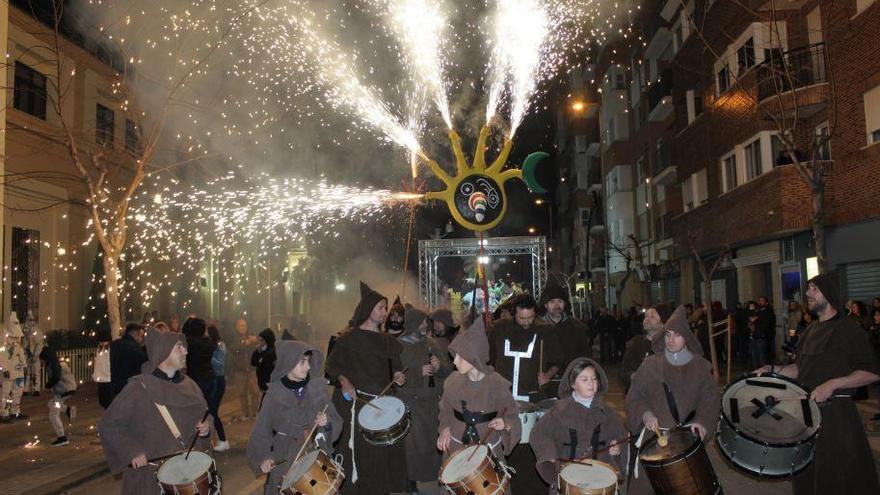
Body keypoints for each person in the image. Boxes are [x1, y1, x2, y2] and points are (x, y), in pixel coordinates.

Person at [755, 273, 880, 494]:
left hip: (838, 419)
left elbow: (872, 372)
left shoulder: (849, 329)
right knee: (808, 477)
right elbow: (800, 369)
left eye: (814, 288)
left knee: (839, 478)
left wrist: (833, 384)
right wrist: (772, 370)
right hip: (805, 417)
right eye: (808, 288)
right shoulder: (810, 330)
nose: (807, 293)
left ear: (829, 293)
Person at [98, 330, 212, 495]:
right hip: (150, 481)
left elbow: (207, 417)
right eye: (179, 347)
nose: (186, 351)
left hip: (187, 478)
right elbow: (109, 425)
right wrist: (132, 451)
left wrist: (207, 429)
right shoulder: (139, 388)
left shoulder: (190, 385)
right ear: (163, 351)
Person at [625, 304, 721, 495]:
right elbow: (634, 395)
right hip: (652, 442)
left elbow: (710, 401)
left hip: (685, 445)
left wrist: (702, 423)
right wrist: (645, 413)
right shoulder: (651, 364)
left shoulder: (700, 368)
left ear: (686, 338)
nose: (671, 339)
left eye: (676, 335)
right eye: (667, 334)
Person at [325, 281, 408, 494]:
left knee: (380, 461)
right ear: (368, 310)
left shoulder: (387, 341)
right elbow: (332, 367)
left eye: (385, 308)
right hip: (356, 407)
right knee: (358, 458)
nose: (385, 312)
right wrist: (345, 380)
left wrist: (398, 376)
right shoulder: (348, 339)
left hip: (381, 408)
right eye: (381, 308)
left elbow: (396, 367)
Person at [488, 294, 563, 493]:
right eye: (522, 318)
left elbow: (557, 361)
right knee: (505, 442)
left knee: (530, 446)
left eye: (530, 317)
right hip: (504, 397)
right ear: (514, 314)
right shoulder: (499, 329)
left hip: (533, 398)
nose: (527, 322)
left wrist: (547, 375)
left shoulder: (545, 331)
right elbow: (488, 359)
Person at [247, 341, 342, 495]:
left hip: (313, 454)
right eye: (302, 362)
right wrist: (263, 458)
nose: (308, 367)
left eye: (308, 362)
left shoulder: (316, 388)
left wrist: (326, 422)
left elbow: (334, 419)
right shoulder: (274, 393)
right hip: (284, 456)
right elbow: (261, 430)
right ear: (288, 362)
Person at [530, 358, 626, 494]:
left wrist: (617, 447)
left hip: (600, 479)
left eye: (594, 379)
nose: (591, 384)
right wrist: (550, 455)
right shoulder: (559, 411)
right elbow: (538, 434)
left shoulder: (608, 412)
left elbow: (620, 436)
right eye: (584, 379)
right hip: (567, 477)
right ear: (573, 384)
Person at [438, 318, 521, 459]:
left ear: (474, 358)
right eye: (455, 356)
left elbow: (512, 416)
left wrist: (506, 424)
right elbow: (445, 410)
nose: (455, 361)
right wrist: (445, 428)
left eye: (461, 357)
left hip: (488, 453)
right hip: (456, 448)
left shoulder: (497, 384)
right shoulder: (452, 382)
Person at [397, 305, 451, 491]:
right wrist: (417, 373)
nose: (424, 326)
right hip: (411, 403)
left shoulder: (431, 343)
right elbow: (395, 377)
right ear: (411, 323)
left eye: (425, 322)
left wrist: (439, 367)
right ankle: (411, 480)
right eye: (420, 322)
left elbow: (448, 370)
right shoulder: (399, 346)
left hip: (432, 403)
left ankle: (435, 476)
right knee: (413, 448)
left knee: (431, 444)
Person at [538, 279, 591, 369]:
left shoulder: (577, 327)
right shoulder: (537, 327)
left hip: (570, 376)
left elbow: (584, 356)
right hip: (545, 379)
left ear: (565, 304)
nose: (556, 305)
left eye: (560, 301)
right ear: (545, 305)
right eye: (552, 302)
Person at [620, 303, 673, 392]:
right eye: (646, 316)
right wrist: (634, 376)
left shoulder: (670, 344)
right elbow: (624, 372)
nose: (647, 319)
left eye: (652, 316)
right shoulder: (636, 342)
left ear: (663, 323)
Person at [40, 346, 77, 446]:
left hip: (64, 390)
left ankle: (62, 437)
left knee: (53, 415)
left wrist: (48, 385)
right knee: (51, 403)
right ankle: (67, 410)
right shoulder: (56, 362)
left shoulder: (55, 364)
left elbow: (56, 377)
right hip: (67, 389)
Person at [182, 318, 217, 415]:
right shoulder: (208, 342)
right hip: (210, 377)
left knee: (197, 412)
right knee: (209, 411)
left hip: (196, 379)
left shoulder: (190, 343)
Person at [109, 322, 148, 404]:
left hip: (115, 387)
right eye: (141, 336)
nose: (142, 339)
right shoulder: (133, 349)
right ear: (136, 334)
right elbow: (145, 363)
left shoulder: (115, 344)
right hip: (130, 389)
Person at [230, 318, 259, 419]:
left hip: (251, 370)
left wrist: (254, 341)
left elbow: (258, 346)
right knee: (242, 393)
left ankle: (255, 412)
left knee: (255, 391)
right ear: (237, 327)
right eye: (241, 326)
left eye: (245, 326)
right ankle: (245, 413)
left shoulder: (251, 337)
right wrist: (244, 344)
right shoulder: (234, 338)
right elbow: (234, 349)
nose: (243, 328)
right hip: (240, 370)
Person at [1, 313, 28, 422]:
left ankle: (15, 411)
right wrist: (4, 368)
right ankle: (3, 413)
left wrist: (25, 365)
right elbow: (1, 355)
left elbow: (21, 353)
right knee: (5, 392)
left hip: (18, 370)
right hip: (8, 371)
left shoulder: (18, 339)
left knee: (18, 391)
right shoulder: (3, 339)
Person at [207, 324, 229, 451]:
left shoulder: (220, 345)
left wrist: (208, 357)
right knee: (211, 411)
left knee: (213, 411)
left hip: (218, 379)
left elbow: (220, 364)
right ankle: (218, 439)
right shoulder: (214, 345)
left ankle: (223, 440)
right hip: (213, 379)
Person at [251, 328, 277, 400]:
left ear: (268, 340)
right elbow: (253, 362)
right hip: (266, 389)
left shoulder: (272, 353)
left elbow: (267, 371)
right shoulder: (264, 351)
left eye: (262, 340)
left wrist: (264, 385)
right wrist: (257, 351)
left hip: (271, 389)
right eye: (259, 340)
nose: (260, 343)